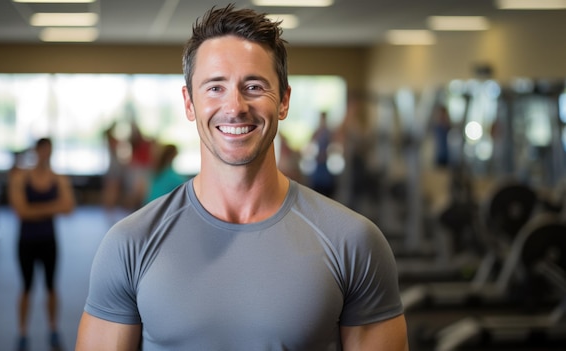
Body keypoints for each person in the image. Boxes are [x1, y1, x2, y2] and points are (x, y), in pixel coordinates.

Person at [76, 4, 408, 351]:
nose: (234, 106)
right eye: (215, 87)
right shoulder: (130, 243)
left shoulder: (353, 242)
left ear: (283, 100)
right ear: (189, 103)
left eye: (253, 86)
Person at [8, 137, 75, 351]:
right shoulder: (21, 177)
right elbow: (21, 211)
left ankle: (54, 329)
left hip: (48, 241)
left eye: (49, 151)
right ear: (36, 151)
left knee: (51, 287)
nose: (45, 154)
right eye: (42, 150)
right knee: (26, 287)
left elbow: (69, 207)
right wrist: (52, 207)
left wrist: (34, 210)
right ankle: (22, 332)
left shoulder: (58, 179)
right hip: (26, 241)